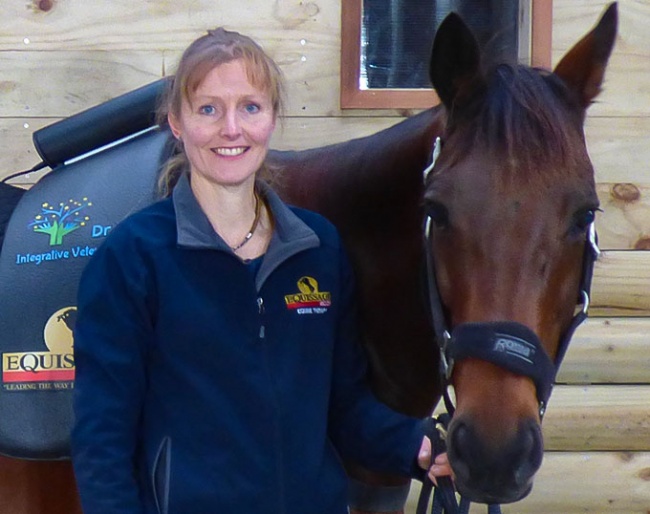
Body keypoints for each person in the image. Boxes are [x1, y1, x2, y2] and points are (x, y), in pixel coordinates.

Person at [71, 27, 450, 514]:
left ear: (272, 119)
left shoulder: (317, 249)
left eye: (250, 107)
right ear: (177, 123)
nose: (232, 129)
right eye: (209, 109)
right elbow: (102, 439)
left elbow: (343, 407)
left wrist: (418, 447)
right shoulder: (132, 257)